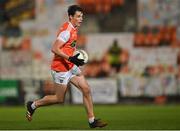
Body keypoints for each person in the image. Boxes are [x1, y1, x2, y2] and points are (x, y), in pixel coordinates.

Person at [26, 5, 107, 128]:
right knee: (59, 99)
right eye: (78, 16)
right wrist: (71, 58)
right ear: (71, 17)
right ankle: (33, 105)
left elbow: (68, 47)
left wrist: (74, 56)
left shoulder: (74, 28)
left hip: (70, 65)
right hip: (60, 68)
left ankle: (92, 121)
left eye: (82, 16)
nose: (81, 19)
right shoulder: (66, 31)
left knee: (86, 89)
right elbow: (54, 48)